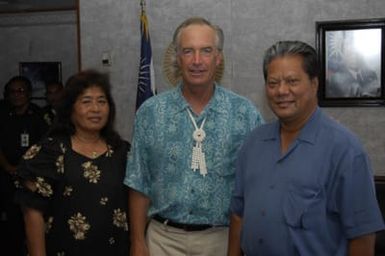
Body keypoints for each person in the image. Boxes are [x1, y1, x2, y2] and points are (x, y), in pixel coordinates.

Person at [228, 41, 385, 256]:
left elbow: (362, 237)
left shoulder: (346, 150)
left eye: (292, 81)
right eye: (273, 83)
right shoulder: (253, 143)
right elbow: (239, 214)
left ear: (314, 84)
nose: (282, 91)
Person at [124, 17, 264, 256]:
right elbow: (139, 182)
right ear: (177, 58)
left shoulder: (244, 114)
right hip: (162, 240)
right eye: (188, 51)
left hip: (221, 240)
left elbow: (257, 185)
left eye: (206, 51)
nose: (197, 61)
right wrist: (137, 242)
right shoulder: (150, 112)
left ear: (218, 58)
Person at [15, 70, 130, 255]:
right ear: (70, 108)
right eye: (86, 102)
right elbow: (32, 212)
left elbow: (136, 201)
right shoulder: (49, 152)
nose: (96, 109)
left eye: (102, 101)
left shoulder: (122, 151)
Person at [0, 76, 47, 256]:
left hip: (32, 178)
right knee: (11, 224)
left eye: (21, 91)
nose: (16, 95)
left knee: (32, 220)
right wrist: (8, 167)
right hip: (7, 175)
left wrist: (26, 171)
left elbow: (45, 148)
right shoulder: (3, 114)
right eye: (12, 91)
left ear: (29, 93)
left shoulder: (39, 116)